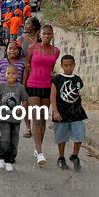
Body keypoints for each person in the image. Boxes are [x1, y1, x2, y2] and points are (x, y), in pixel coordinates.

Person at [23, 24, 60, 165]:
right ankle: (39, 152)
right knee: (36, 119)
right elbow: (27, 66)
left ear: (52, 35)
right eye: (44, 33)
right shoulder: (33, 48)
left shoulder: (56, 51)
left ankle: (38, 148)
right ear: (40, 34)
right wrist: (23, 87)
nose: (46, 36)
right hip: (32, 85)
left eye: (49, 34)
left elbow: (51, 69)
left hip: (47, 87)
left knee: (43, 119)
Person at [50, 55, 86, 171]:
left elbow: (77, 94)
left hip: (76, 112)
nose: (68, 68)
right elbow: (53, 95)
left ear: (74, 65)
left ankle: (75, 155)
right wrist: (55, 111)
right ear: (62, 66)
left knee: (80, 134)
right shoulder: (57, 79)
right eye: (66, 66)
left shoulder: (77, 79)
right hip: (61, 112)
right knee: (61, 137)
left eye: (71, 65)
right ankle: (61, 158)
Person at [0, 64, 29, 172]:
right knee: (5, 138)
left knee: (14, 140)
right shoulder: (1, 87)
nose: (11, 75)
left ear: (17, 75)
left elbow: (25, 101)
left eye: (13, 73)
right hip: (4, 117)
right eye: (8, 73)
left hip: (16, 119)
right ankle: (0, 156)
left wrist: (21, 108)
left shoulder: (20, 88)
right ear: (5, 74)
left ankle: (9, 160)